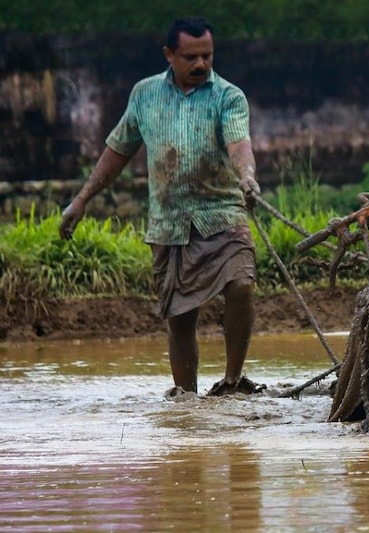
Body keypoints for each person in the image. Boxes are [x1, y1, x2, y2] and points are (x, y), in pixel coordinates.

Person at [58, 17, 264, 397]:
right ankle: (186, 398)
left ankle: (233, 381)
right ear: (170, 55)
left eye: (208, 55)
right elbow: (118, 149)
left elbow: (239, 142)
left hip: (222, 214)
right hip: (169, 224)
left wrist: (246, 175)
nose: (201, 64)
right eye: (191, 57)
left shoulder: (228, 96)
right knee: (180, 319)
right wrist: (81, 200)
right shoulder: (145, 94)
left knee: (241, 285)